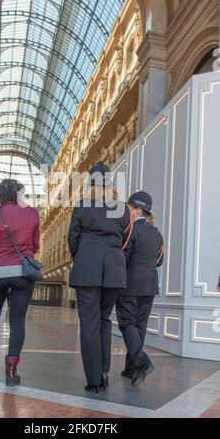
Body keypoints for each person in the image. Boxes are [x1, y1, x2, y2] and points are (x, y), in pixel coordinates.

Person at [68, 161, 133, 393]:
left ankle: (94, 379)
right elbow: (126, 241)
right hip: (115, 271)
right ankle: (104, 372)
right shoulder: (124, 209)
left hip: (88, 268)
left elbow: (72, 239)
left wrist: (82, 258)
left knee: (89, 324)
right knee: (105, 320)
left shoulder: (83, 205)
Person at [0, 179, 40, 386]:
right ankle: (11, 371)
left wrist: (2, 257)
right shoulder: (32, 213)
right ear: (19, 193)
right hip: (23, 273)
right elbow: (35, 245)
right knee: (17, 321)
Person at [115, 191, 164, 387]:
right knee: (139, 326)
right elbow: (159, 261)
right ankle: (131, 368)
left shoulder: (130, 231)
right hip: (150, 285)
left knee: (126, 323)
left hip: (129, 284)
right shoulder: (157, 234)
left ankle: (142, 362)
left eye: (129, 208)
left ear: (136, 210)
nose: (127, 211)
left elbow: (122, 258)